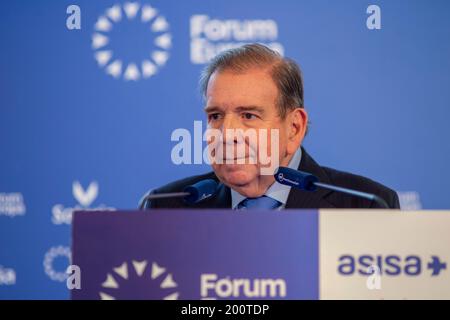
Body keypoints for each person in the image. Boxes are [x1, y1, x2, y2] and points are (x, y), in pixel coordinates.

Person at [141, 43, 400, 210]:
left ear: (294, 128)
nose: (227, 134)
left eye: (249, 116)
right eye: (216, 116)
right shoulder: (167, 207)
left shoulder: (366, 205)